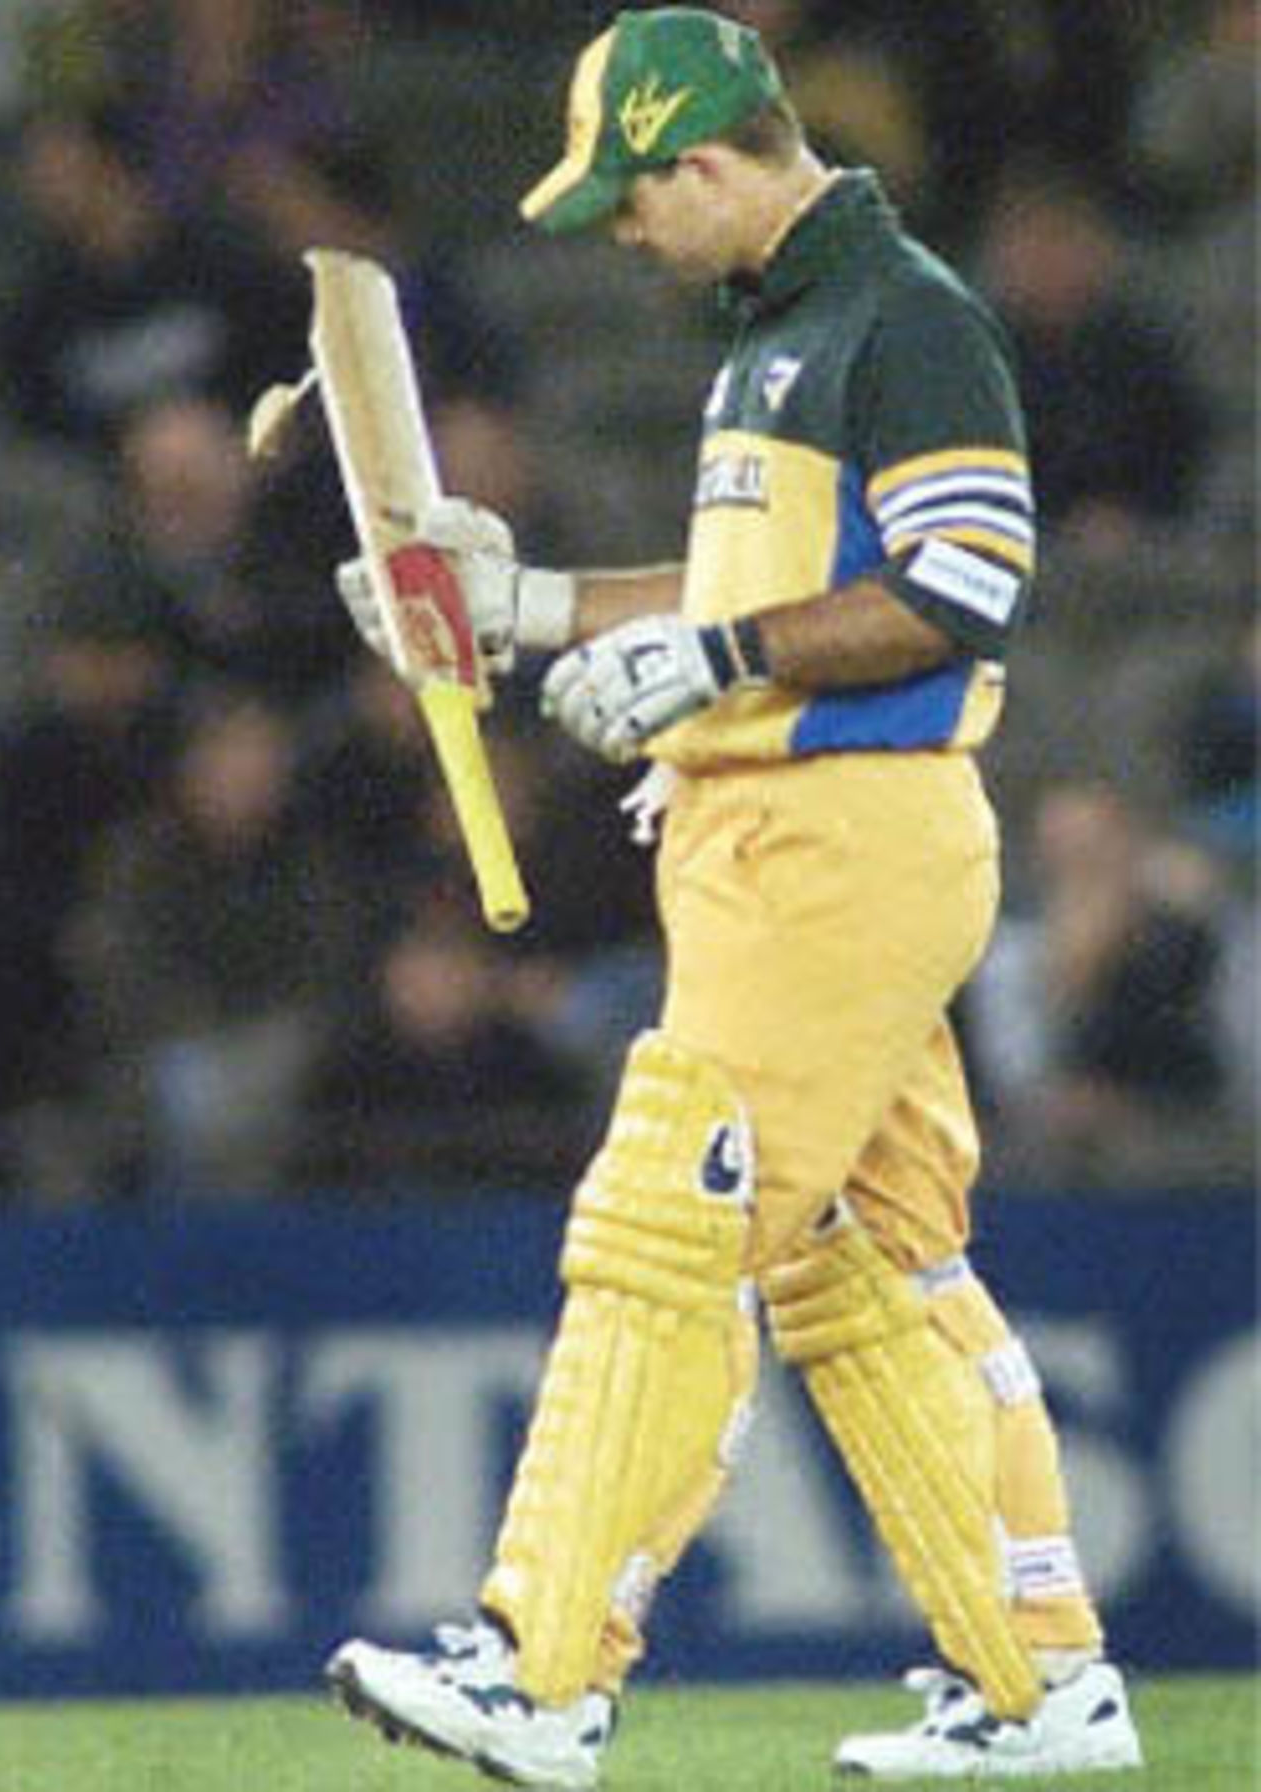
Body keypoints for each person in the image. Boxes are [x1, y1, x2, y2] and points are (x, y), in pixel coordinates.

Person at [323, 10, 1142, 1785]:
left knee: (664, 1225)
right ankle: (1041, 1681)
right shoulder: (782, 332)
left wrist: (717, 656)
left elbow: (966, 583)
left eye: (632, 198)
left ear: (708, 162)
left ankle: (544, 1667)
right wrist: (528, 603)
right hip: (795, 841)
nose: (620, 234)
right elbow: (739, 592)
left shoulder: (906, 319)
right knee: (877, 1266)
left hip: (838, 839)